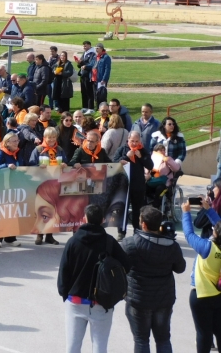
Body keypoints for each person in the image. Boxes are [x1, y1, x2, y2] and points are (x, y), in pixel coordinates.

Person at [57, 204, 130, 353]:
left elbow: (64, 271)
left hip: (76, 302)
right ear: (103, 220)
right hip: (101, 303)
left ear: (84, 218)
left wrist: (65, 293)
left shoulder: (73, 242)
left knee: (72, 347)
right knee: (99, 347)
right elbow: (127, 265)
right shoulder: (109, 242)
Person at [120, 205, 185, 353]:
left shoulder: (130, 244)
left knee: (141, 340)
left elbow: (121, 267)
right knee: (163, 339)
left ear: (143, 224)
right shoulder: (172, 246)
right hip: (163, 300)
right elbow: (180, 268)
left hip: (139, 300)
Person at [182, 199, 221, 353]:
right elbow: (219, 224)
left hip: (201, 296)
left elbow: (189, 234)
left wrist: (186, 213)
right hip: (219, 296)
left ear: (215, 232)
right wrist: (209, 209)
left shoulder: (206, 248)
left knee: (203, 333)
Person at [114, 131, 153, 241]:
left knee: (138, 210)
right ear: (128, 140)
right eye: (132, 141)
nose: (135, 144)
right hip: (123, 185)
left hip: (138, 185)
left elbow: (150, 165)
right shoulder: (122, 149)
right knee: (122, 209)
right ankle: (121, 232)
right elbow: (114, 163)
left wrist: (141, 157)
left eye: (137, 141)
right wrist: (126, 157)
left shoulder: (143, 151)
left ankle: (137, 231)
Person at [0, 132, 22, 248]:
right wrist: (6, 166)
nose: (16, 143)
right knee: (1, 212)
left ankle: (11, 238)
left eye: (17, 141)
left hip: (13, 185)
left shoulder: (17, 153)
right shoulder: (1, 152)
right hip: (1, 186)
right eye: (14, 141)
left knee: (12, 212)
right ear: (7, 142)